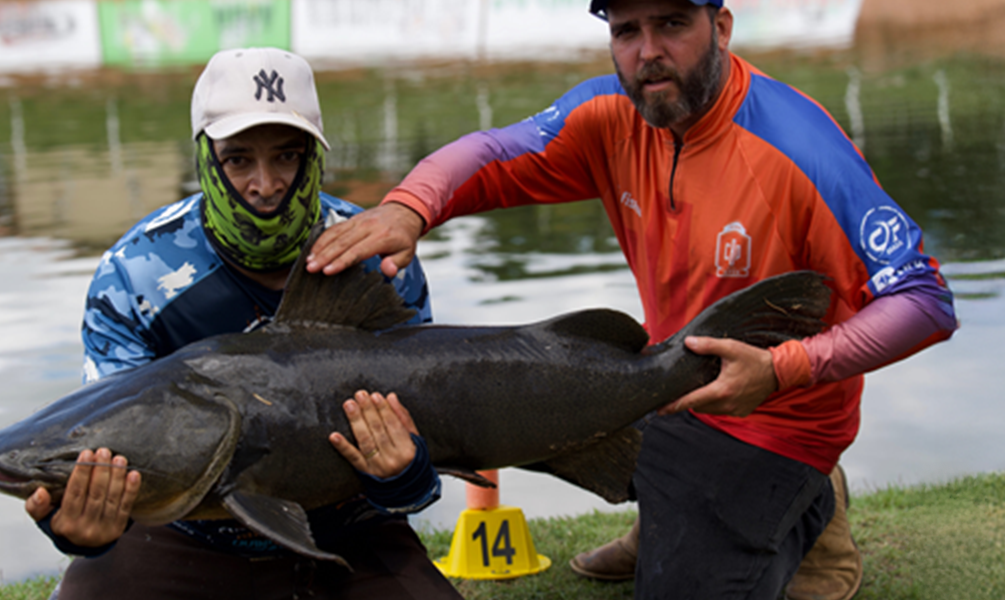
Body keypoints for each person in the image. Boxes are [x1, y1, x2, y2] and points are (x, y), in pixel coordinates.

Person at [305, 1, 959, 598]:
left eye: (672, 23)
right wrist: (410, 207)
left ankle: (808, 507)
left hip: (774, 421)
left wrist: (786, 370)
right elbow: (493, 152)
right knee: (486, 392)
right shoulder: (611, 116)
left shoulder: (802, 148)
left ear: (721, 28)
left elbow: (925, 300)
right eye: (626, 31)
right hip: (663, 383)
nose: (647, 50)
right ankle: (671, 513)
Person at [24, 48, 462, 600]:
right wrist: (81, 532)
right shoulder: (132, 273)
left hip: (351, 525)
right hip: (188, 534)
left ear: (313, 154)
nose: (265, 184)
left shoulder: (376, 251)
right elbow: (112, 442)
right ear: (207, 157)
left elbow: (423, 477)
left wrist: (407, 477)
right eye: (237, 160)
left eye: (286, 156)